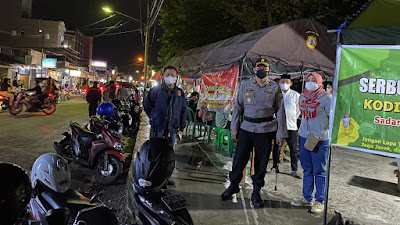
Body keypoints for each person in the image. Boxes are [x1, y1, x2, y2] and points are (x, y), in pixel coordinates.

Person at [221, 58, 287, 208]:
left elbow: (281, 111)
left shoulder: (275, 87)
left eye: (264, 67)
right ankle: (233, 186)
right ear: (254, 70)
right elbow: (237, 108)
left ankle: (256, 191)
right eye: (259, 67)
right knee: (239, 159)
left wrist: (281, 134)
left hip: (266, 129)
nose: (261, 70)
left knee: (261, 162)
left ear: (268, 70)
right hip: (246, 127)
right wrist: (234, 128)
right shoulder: (245, 86)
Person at [291, 72, 331, 214]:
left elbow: (331, 119)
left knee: (319, 171)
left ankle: (320, 201)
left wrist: (326, 134)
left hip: (320, 139)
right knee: (307, 169)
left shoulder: (326, 98)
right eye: (309, 80)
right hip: (303, 137)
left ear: (320, 82)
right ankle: (307, 197)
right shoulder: (302, 98)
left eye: (314, 80)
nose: (311, 82)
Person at [144, 66, 187, 147]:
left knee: (169, 155)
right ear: (163, 76)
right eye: (167, 75)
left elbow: (183, 110)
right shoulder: (156, 90)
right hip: (157, 129)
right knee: (155, 154)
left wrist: (181, 128)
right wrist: (153, 117)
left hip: (173, 131)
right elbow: (147, 105)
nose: (170, 77)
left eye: (172, 75)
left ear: (176, 77)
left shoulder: (180, 93)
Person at [279, 74, 301, 178]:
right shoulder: (276, 94)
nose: (284, 84)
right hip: (278, 125)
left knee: (293, 149)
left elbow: (298, 110)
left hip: (291, 125)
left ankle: (294, 170)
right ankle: (274, 166)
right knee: (276, 147)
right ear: (279, 83)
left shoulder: (296, 95)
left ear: (291, 83)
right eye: (282, 82)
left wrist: (292, 118)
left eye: (287, 82)